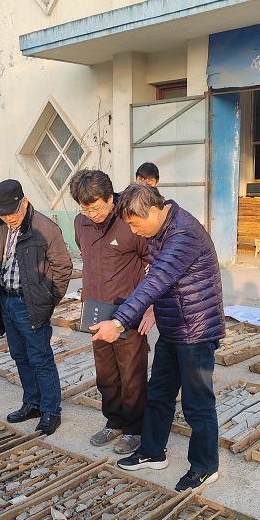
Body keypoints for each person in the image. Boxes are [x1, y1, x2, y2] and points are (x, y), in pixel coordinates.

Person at [91, 183, 225, 492]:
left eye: (135, 224)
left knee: (197, 403)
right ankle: (152, 452)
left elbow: (157, 279)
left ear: (154, 211)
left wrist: (119, 322)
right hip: (173, 326)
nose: (134, 231)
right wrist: (150, 309)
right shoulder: (159, 229)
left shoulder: (183, 234)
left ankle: (205, 467)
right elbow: (156, 279)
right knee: (159, 393)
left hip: (196, 330)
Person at [69, 169, 154, 454]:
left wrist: (150, 305)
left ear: (110, 198)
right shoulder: (81, 223)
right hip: (95, 309)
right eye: (85, 209)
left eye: (96, 208)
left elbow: (154, 261)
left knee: (132, 372)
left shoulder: (130, 221)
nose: (92, 214)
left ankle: (134, 429)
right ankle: (114, 421)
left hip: (128, 310)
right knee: (105, 372)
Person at [0, 179, 72, 435]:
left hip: (31, 303)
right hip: (7, 300)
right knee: (20, 356)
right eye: (2, 214)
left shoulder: (46, 228)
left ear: (24, 202)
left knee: (40, 358)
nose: (8, 218)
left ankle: (51, 411)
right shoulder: (4, 227)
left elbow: (63, 268)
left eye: (11, 212)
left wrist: (47, 300)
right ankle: (32, 403)